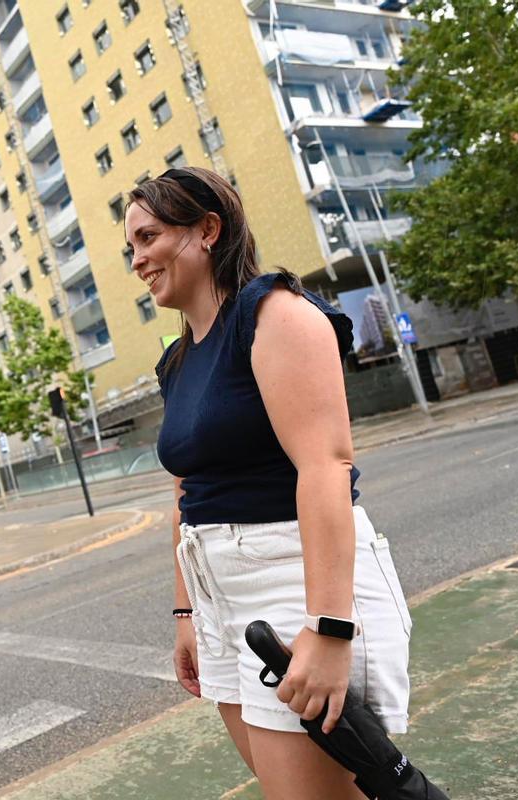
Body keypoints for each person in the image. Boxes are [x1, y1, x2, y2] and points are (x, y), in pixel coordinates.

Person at [125, 168, 412, 799]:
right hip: (221, 599)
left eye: (148, 237)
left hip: (296, 581)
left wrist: (332, 627)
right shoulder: (177, 361)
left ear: (207, 229)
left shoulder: (273, 312)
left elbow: (326, 468)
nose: (138, 259)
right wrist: (188, 615)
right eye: (131, 247)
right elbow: (185, 492)